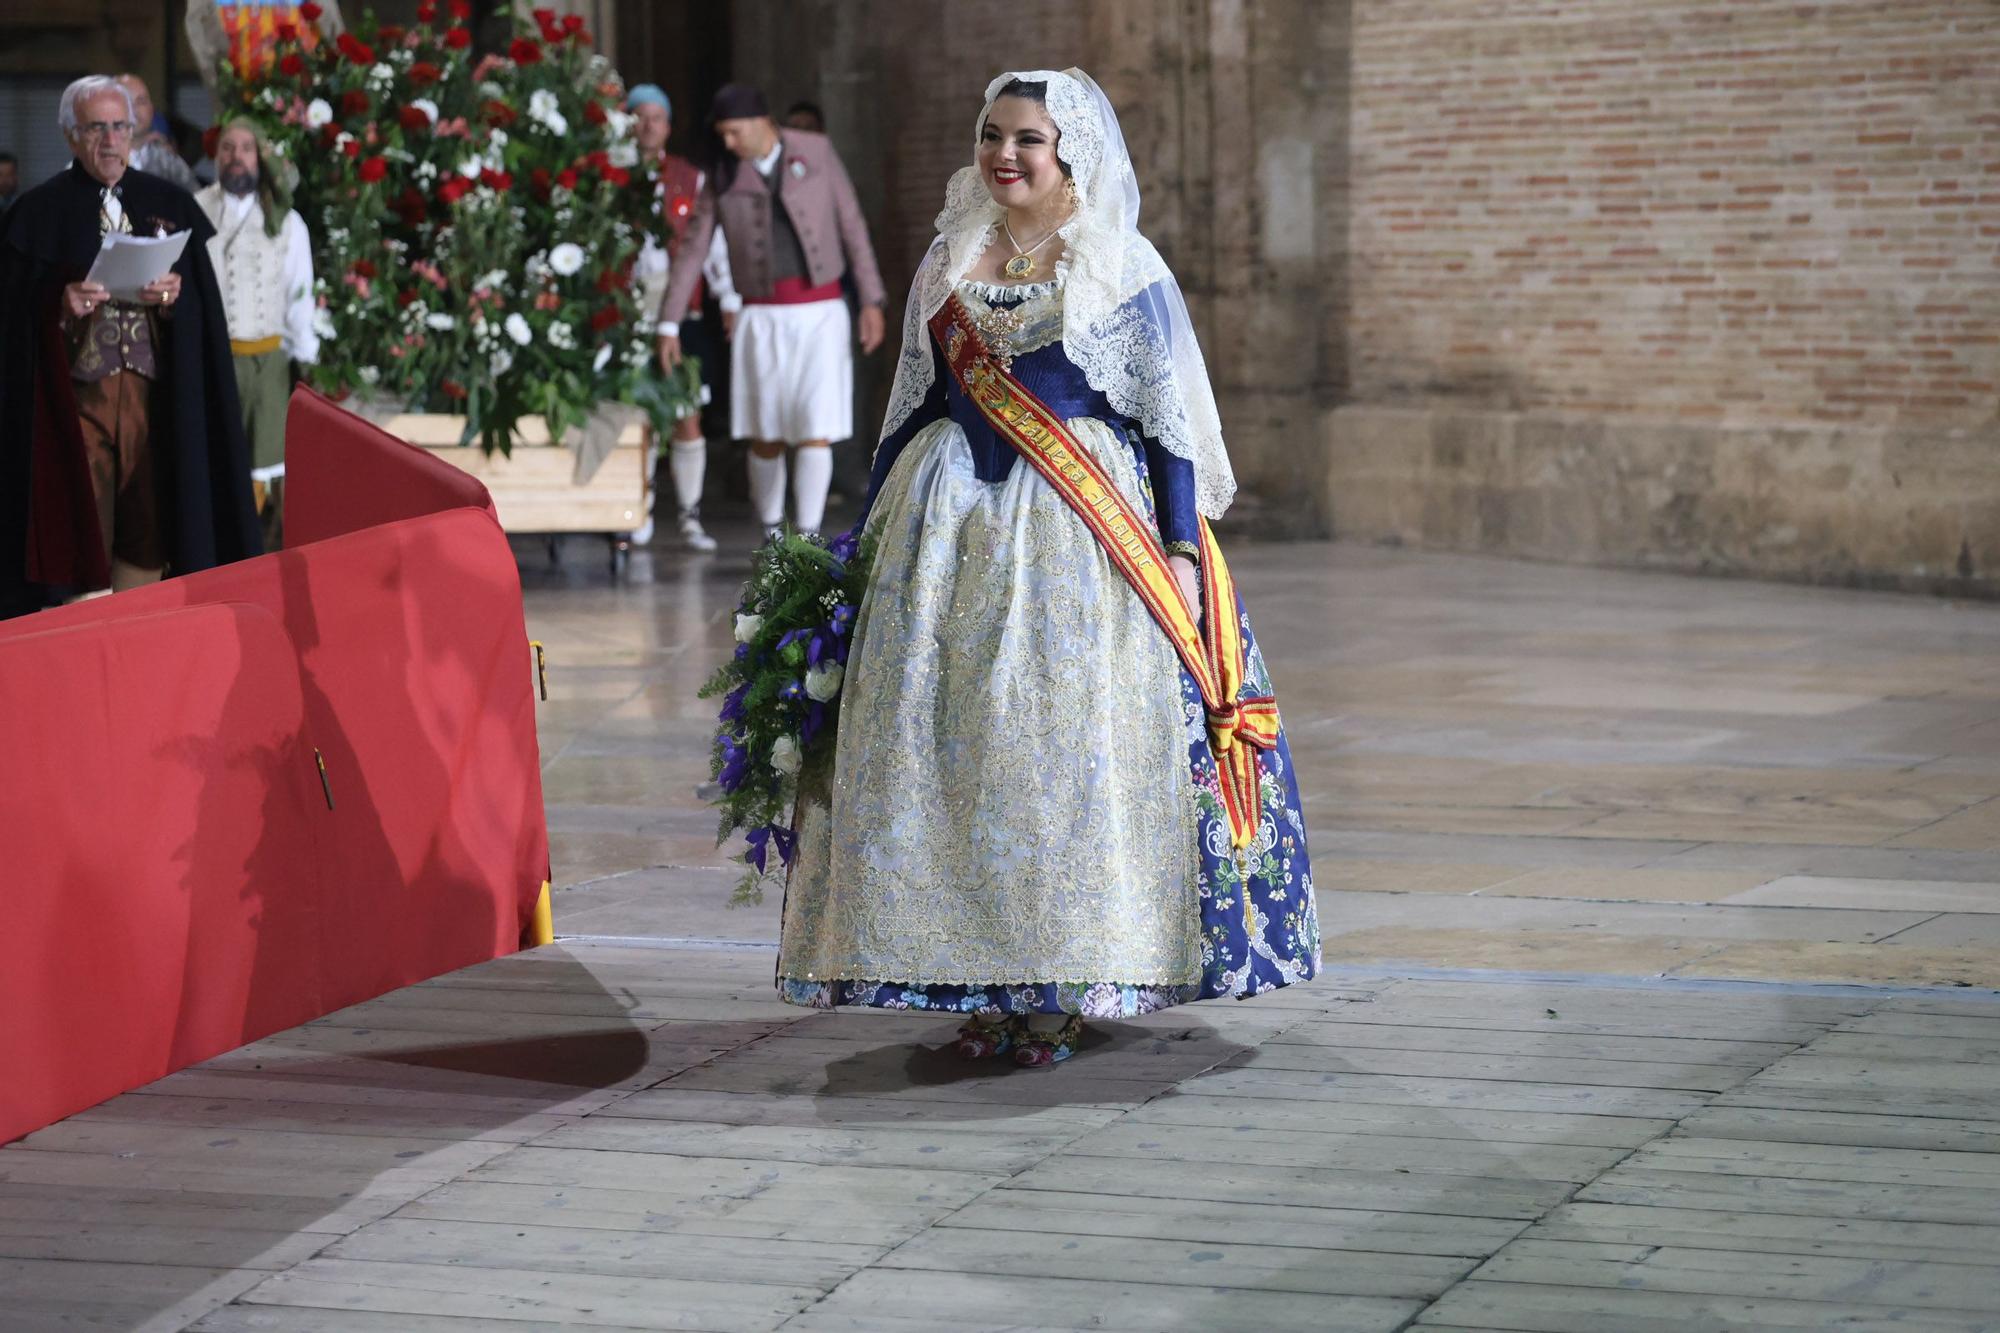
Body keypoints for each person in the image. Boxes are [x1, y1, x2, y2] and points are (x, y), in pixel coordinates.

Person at [776, 70, 1319, 1066]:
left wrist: (1182, 551)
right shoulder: (949, 255)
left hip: (1081, 539)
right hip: (943, 542)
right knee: (956, 758)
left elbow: (1166, 425)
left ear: (1069, 150)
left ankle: (1065, 978)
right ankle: (977, 977)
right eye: (991, 135)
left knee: (1066, 761)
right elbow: (913, 411)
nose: (1005, 155)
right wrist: (851, 559)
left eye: (1027, 138)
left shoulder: (1118, 259)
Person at [0, 75, 259, 617]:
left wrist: (173, 299)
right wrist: (60, 306)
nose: (111, 141)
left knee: (149, 521)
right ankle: (85, 640)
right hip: (77, 408)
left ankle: (138, 632)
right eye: (97, 128)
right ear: (72, 137)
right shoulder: (37, 213)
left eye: (121, 127)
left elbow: (201, 321)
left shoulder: (168, 202)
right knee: (84, 525)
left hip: (151, 399)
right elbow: (15, 321)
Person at [656, 83, 886, 541]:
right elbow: (692, 251)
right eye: (722, 134)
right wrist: (668, 322)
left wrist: (872, 300)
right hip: (759, 317)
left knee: (815, 426)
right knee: (765, 430)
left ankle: (809, 531)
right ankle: (770, 532)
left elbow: (851, 224)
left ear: (763, 123)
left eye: (735, 132)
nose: (728, 143)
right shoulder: (722, 174)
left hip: (821, 311)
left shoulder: (816, 152)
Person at [194, 116, 317, 550]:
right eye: (228, 147)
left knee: (266, 465)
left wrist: (308, 359)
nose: (236, 157)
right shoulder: (195, 209)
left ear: (260, 157)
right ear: (216, 155)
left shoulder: (287, 221)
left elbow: (299, 294)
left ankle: (258, 555)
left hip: (269, 365)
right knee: (215, 460)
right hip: (214, 361)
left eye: (246, 148)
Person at [627, 83, 739, 553]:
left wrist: (729, 296)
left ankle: (689, 516)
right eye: (640, 116)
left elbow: (708, 246)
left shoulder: (689, 178)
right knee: (635, 415)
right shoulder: (608, 179)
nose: (649, 125)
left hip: (680, 308)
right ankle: (636, 511)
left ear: (668, 126)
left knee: (685, 413)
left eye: (657, 117)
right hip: (627, 310)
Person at [115, 74, 200, 195]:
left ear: (151, 109)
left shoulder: (168, 161)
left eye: (141, 101)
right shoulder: (96, 158)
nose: (133, 109)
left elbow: (196, 202)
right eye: (125, 101)